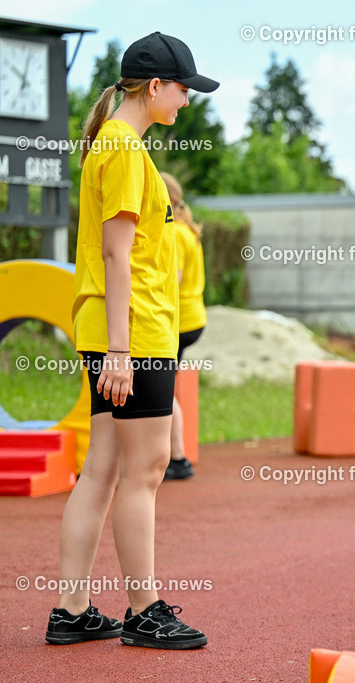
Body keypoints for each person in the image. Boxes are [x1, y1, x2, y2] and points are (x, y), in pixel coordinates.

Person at [46, 32, 217, 649]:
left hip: (123, 329)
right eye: (183, 89)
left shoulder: (117, 145)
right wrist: (121, 351)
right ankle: (144, 610)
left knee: (105, 467)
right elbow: (118, 257)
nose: (187, 101)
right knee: (142, 471)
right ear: (154, 87)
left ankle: (71, 610)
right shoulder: (122, 148)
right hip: (133, 333)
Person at [160, 172, 205, 481]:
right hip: (192, 317)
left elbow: (171, 282)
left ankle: (178, 456)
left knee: (163, 391)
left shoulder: (175, 232)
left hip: (179, 319)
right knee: (166, 386)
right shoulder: (188, 229)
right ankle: (175, 455)